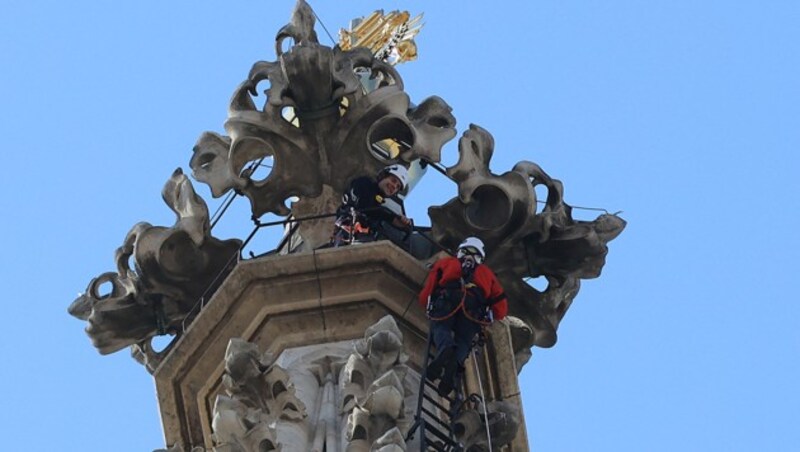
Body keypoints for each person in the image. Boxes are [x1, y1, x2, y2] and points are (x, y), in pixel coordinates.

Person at [418, 237, 508, 396]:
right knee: (464, 341)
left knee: (441, 327)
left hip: (447, 300)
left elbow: (430, 288)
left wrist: (425, 302)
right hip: (473, 311)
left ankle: (445, 348)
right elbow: (501, 308)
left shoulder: (447, 263)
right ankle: (454, 363)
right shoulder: (488, 274)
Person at [331, 164, 413, 246]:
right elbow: (363, 205)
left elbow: (378, 213)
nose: (394, 186)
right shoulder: (364, 183)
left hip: (366, 238)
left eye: (397, 187)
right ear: (383, 176)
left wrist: (404, 223)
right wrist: (390, 217)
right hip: (347, 233)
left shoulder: (380, 204)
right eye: (393, 180)